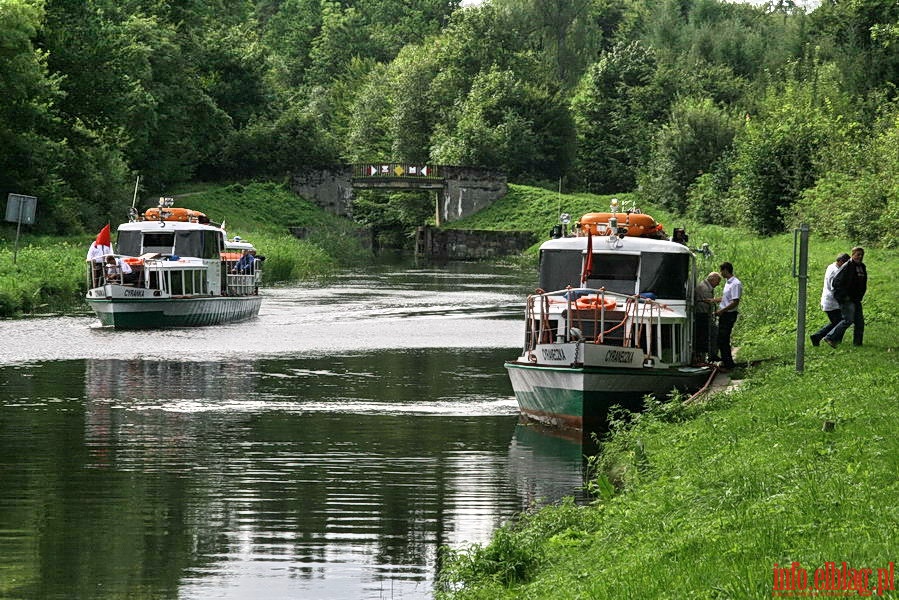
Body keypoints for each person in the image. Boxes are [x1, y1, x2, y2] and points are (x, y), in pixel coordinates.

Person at [823, 247, 867, 348]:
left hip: (856, 298)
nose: (859, 257)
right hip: (847, 298)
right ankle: (830, 337)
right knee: (848, 320)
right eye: (857, 254)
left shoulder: (862, 267)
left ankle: (858, 344)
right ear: (853, 255)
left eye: (861, 255)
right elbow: (836, 282)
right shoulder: (847, 266)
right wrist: (844, 297)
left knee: (859, 322)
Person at [809, 253, 850, 347]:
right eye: (845, 264)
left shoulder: (831, 266)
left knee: (837, 321)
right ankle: (819, 336)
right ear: (840, 262)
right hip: (832, 302)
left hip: (831, 301)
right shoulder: (835, 272)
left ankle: (829, 338)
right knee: (840, 321)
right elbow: (835, 287)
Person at [714, 262, 742, 371]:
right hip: (724, 313)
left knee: (724, 338)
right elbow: (727, 298)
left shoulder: (735, 284)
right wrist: (714, 300)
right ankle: (725, 361)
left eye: (721, 271)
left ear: (726, 270)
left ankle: (729, 364)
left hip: (728, 314)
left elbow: (735, 302)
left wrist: (722, 310)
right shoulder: (727, 283)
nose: (721, 273)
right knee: (721, 339)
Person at [693, 271, 721, 363]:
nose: (718, 283)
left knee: (709, 334)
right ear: (712, 279)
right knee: (711, 333)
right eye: (718, 281)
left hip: (704, 314)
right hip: (702, 315)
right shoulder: (704, 288)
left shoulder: (706, 287)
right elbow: (708, 301)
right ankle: (710, 355)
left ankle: (709, 354)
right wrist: (718, 300)